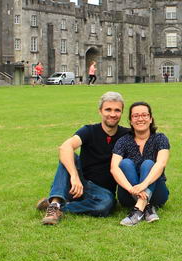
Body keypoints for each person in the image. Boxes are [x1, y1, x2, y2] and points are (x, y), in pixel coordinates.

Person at [36, 92, 130, 225]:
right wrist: (74, 176)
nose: (112, 114)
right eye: (108, 109)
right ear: (100, 111)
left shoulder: (126, 135)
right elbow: (65, 147)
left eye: (117, 110)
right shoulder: (89, 130)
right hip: (80, 183)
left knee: (105, 206)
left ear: (122, 112)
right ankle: (55, 204)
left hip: (103, 191)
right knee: (69, 155)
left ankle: (57, 206)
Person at [111, 102, 170, 226]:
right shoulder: (123, 141)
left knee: (149, 164)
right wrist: (132, 189)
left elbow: (161, 163)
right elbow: (114, 168)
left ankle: (138, 209)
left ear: (150, 119)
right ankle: (147, 208)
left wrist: (144, 184)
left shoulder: (160, 138)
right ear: (131, 121)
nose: (140, 119)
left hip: (156, 194)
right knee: (125, 163)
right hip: (128, 194)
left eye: (144, 115)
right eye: (136, 116)